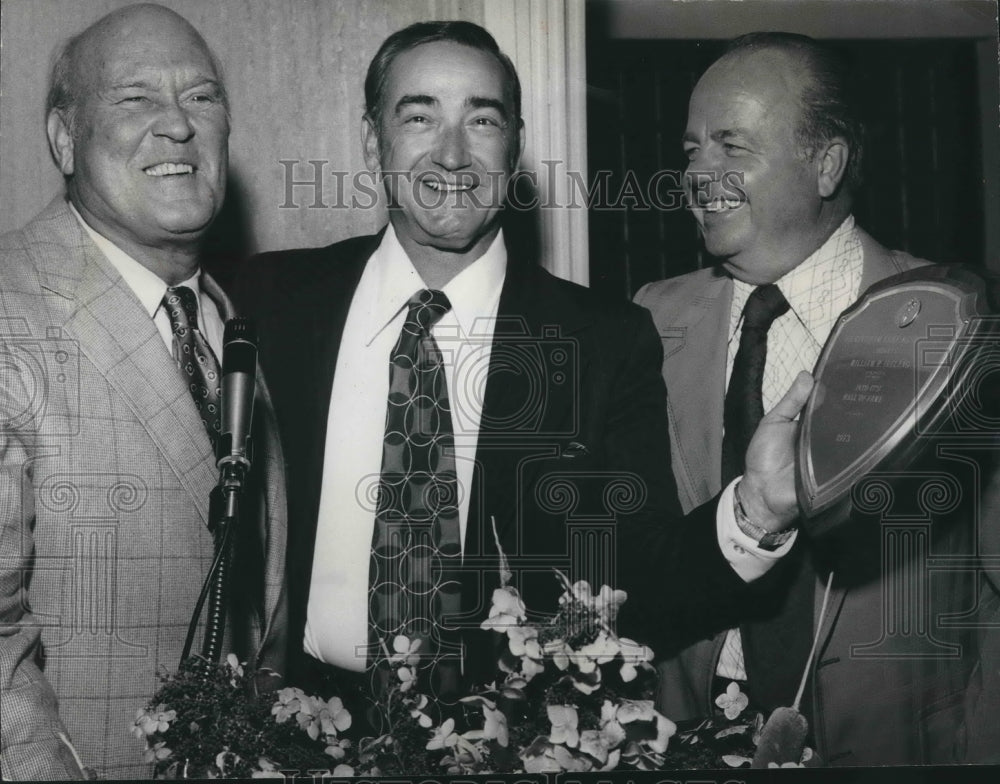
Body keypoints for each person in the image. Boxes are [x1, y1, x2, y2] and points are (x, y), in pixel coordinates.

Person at [234, 21, 810, 730]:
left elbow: (641, 580)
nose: (451, 153)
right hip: (293, 734)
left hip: (508, 744)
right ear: (370, 139)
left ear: (515, 144)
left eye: (481, 119)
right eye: (419, 117)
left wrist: (756, 510)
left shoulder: (599, 339)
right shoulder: (269, 304)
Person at [633, 31, 999, 765]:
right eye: (690, 149)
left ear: (825, 163)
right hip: (692, 744)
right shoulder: (649, 318)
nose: (701, 172)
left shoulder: (949, 320)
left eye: (732, 146)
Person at [0, 5, 287, 779]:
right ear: (64, 138)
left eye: (201, 97)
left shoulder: (224, 317)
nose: (178, 126)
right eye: (135, 99)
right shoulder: (7, 309)